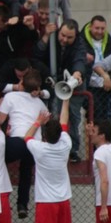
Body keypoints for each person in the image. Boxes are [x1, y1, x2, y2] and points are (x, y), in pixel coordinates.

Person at [24, 98, 72, 223]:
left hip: (45, 201)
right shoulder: (66, 144)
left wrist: (37, 121)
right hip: (63, 200)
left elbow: (26, 137)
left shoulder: (40, 149)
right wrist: (65, 101)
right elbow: (64, 122)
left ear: (43, 134)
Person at [34, 19, 86, 163]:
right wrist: (45, 36)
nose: (64, 39)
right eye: (62, 35)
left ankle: (73, 150)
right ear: (59, 31)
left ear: (76, 36)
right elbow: (37, 55)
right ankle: (52, 144)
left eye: (69, 37)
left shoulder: (79, 44)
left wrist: (77, 73)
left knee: (74, 118)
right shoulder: (51, 36)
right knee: (53, 116)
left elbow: (80, 60)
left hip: (73, 86)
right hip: (54, 83)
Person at [0, 69, 48, 218]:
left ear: (21, 83)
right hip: (34, 143)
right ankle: (22, 205)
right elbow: (47, 118)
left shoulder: (10, 96)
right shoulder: (39, 102)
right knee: (26, 171)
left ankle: (0, 198)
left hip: (17, 140)